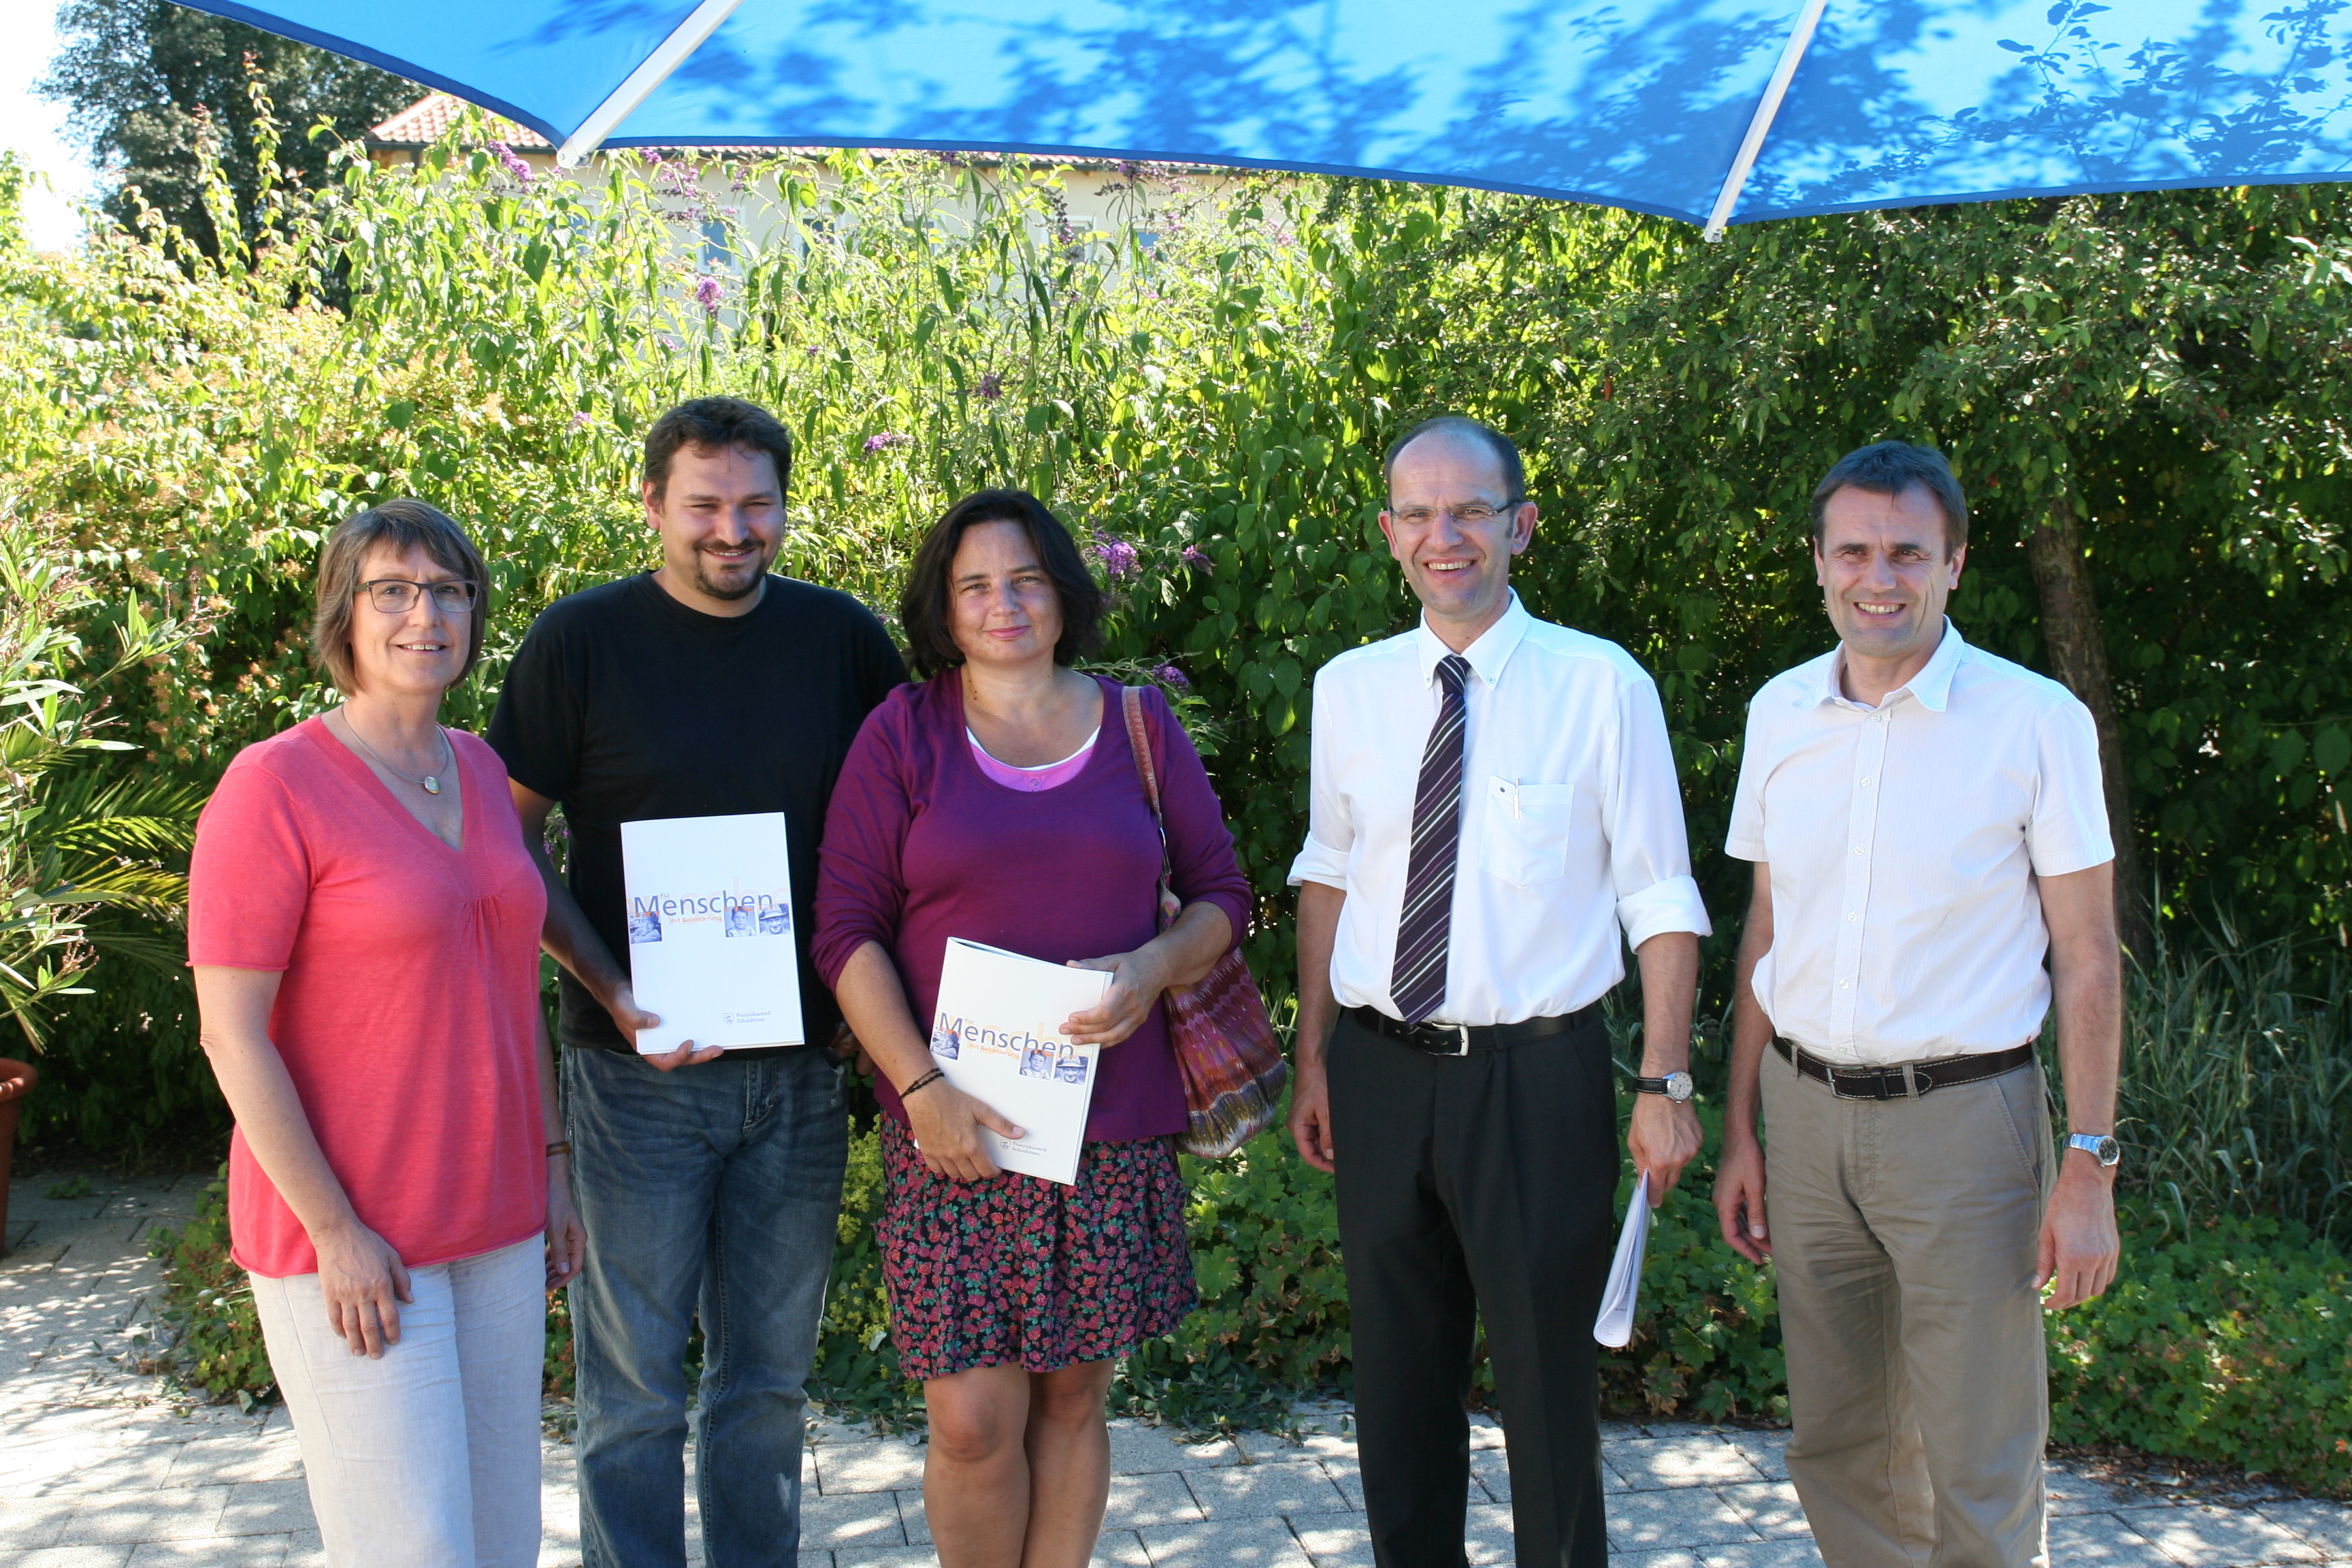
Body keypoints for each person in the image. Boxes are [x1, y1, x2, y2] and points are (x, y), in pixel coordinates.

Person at [487, 397, 906, 1568]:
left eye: (756, 504)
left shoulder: (844, 643)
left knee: (768, 1385)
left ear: (783, 506)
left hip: (805, 1076)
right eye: (706, 505)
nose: (734, 529)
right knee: (631, 1392)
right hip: (635, 1076)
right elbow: (508, 846)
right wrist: (615, 990)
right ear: (653, 506)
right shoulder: (579, 643)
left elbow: (905, 830)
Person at [1287, 415, 1712, 1568]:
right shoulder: (1351, 689)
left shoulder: (1601, 685)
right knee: (1398, 1393)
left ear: (1520, 524)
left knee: (1545, 1391)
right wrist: (1314, 1060)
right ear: (1389, 535)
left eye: (1471, 509)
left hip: (1538, 1077)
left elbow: (1661, 897)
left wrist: (1665, 1078)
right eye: (1419, 513)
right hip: (1379, 1071)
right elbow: (1327, 877)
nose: (1446, 535)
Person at [813, 489, 1252, 1568]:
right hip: (953, 1130)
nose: (1003, 604)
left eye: (1026, 579)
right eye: (975, 586)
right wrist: (921, 1090)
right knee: (970, 1420)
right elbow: (844, 932)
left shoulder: (1140, 726)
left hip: (1106, 1130)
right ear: (944, 609)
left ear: (1062, 592)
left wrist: (1149, 970)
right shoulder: (902, 735)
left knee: (1072, 1397)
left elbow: (1223, 897)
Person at [1712, 442, 2123, 1568]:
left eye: (1906, 551)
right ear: (1819, 563)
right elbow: (1766, 930)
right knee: (1842, 1442)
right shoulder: (1779, 714)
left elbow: (2089, 954)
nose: (1877, 575)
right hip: (1803, 1121)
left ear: (1954, 563)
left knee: (1980, 1454)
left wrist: (2088, 1164)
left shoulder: (2036, 721)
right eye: (1854, 550)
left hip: (1966, 1123)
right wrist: (1740, 1128)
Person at [189, 500, 583, 1568]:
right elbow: (233, 1036)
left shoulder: (481, 776)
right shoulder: (272, 788)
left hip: (495, 1222)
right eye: (394, 591)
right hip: (357, 1239)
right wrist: (334, 1232)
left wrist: (552, 1168)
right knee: (411, 1550)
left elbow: (512, 989)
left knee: (502, 1545)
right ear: (344, 616)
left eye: (449, 590)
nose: (426, 614)